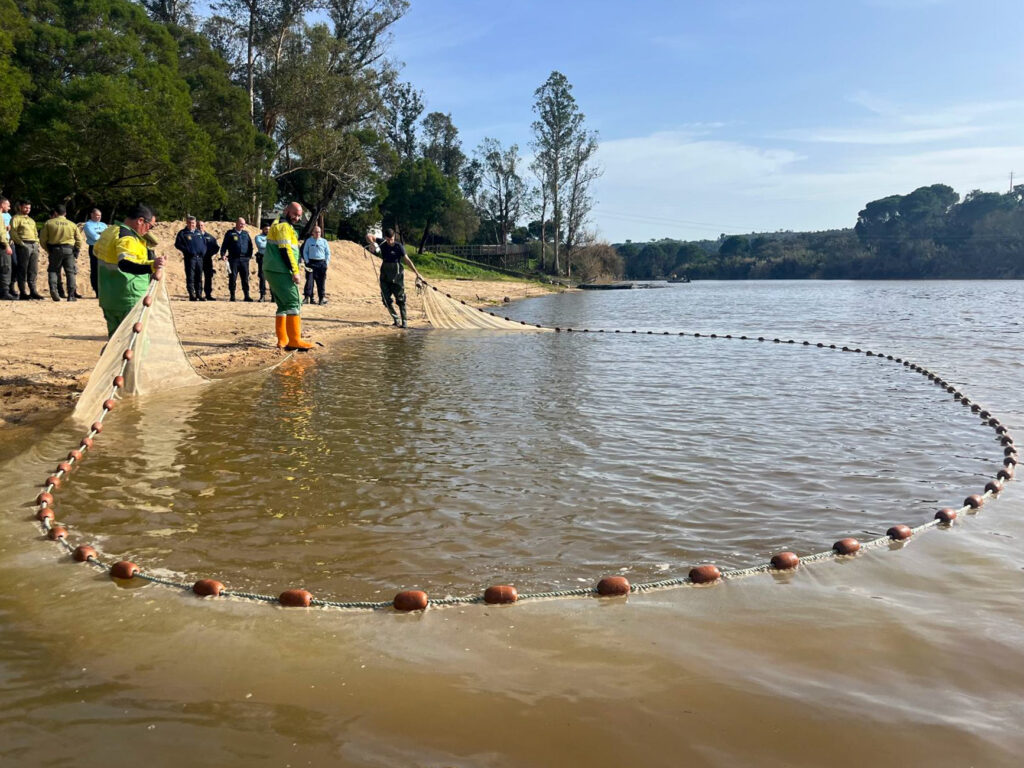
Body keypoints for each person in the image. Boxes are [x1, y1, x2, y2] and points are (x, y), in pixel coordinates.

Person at [93, 203, 165, 337]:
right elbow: (125, 264)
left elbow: (96, 252)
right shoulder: (127, 238)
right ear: (140, 220)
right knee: (136, 342)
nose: (148, 231)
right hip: (129, 297)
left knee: (116, 341)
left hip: (109, 298)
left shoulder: (109, 232)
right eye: (150, 226)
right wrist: (152, 265)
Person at [264, 202, 313, 350]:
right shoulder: (284, 226)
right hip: (281, 270)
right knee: (294, 302)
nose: (297, 218)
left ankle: (283, 339)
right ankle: (294, 340)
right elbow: (285, 251)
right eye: (295, 214)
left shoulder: (278, 224)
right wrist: (295, 271)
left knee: (282, 305)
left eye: (299, 216)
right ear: (286, 211)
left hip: (271, 269)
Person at [365, 228, 423, 328]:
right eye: (388, 239)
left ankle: (404, 321)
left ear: (394, 237)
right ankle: (396, 319)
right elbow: (368, 236)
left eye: (391, 239)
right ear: (385, 238)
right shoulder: (382, 242)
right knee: (385, 299)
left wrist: (417, 273)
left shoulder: (399, 246)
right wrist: (372, 243)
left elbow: (407, 260)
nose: (389, 242)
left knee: (400, 298)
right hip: (385, 273)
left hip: (397, 274)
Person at [38, 203, 85, 301]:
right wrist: (76, 249)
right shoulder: (72, 224)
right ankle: (71, 295)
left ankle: (54, 291)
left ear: (55, 213)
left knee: (53, 270)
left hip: (54, 249)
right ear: (65, 213)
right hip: (69, 250)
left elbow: (42, 239)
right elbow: (79, 240)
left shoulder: (49, 223)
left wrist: (47, 249)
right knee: (70, 272)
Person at [9, 200, 44, 300]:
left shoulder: (31, 220)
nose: (28, 209)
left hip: (33, 245)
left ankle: (33, 291)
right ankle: (23, 292)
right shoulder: (16, 218)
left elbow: (35, 232)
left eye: (29, 208)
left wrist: (37, 242)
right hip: (23, 244)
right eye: (25, 207)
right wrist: (21, 243)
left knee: (33, 269)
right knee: (23, 269)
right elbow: (13, 232)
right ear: (20, 207)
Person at [220, 217, 254, 302]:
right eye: (241, 224)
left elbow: (250, 246)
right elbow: (224, 245)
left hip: (244, 260)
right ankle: (232, 296)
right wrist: (223, 254)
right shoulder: (230, 233)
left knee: (245, 278)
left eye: (244, 224)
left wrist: (249, 256)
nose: (243, 225)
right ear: (237, 223)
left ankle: (246, 295)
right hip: (233, 259)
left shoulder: (246, 234)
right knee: (233, 277)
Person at [174, 216, 206, 301]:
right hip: (190, 258)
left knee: (199, 277)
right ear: (187, 223)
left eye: (193, 223)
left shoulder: (199, 232)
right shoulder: (183, 233)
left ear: (195, 223)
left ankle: (199, 294)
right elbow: (177, 244)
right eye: (190, 223)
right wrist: (187, 250)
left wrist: (203, 251)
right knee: (191, 276)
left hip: (199, 258)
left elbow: (204, 243)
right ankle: (192, 294)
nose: (192, 224)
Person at [300, 225, 330, 305]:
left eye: (319, 232)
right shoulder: (309, 241)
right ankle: (307, 297)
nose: (318, 234)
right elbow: (305, 252)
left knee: (321, 282)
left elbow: (327, 253)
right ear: (312, 233)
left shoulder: (324, 241)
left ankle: (321, 298)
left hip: (321, 263)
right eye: (316, 232)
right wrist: (307, 261)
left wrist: (326, 263)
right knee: (309, 281)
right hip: (311, 263)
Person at [83, 208, 107, 297]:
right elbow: (95, 237)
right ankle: (97, 290)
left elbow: (108, 236)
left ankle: (104, 290)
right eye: (96, 215)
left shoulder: (103, 225)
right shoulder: (88, 225)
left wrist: (101, 235)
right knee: (95, 269)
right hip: (94, 248)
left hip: (104, 248)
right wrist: (103, 235)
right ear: (92, 215)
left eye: (100, 216)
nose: (98, 217)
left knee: (104, 269)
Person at [198, 221, 219, 300]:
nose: (200, 227)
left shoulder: (209, 237)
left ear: (204, 226)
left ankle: (208, 294)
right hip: (197, 259)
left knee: (208, 277)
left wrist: (210, 254)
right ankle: (198, 294)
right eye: (198, 225)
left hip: (207, 259)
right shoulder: (194, 236)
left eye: (201, 225)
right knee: (198, 277)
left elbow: (216, 247)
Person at [0, 197, 14, 300]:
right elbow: (1, 233)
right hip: (2, 245)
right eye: (8, 205)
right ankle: (4, 292)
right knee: (5, 267)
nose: (9, 208)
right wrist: (7, 245)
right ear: (2, 205)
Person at [254, 222, 271, 302]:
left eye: (269, 229)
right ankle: (262, 295)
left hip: (271, 259)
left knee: (272, 277)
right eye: (266, 229)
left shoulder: (273, 237)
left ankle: (273, 296)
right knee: (262, 277)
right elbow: (261, 245)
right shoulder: (258, 237)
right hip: (262, 258)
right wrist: (270, 243)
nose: (268, 230)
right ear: (263, 229)